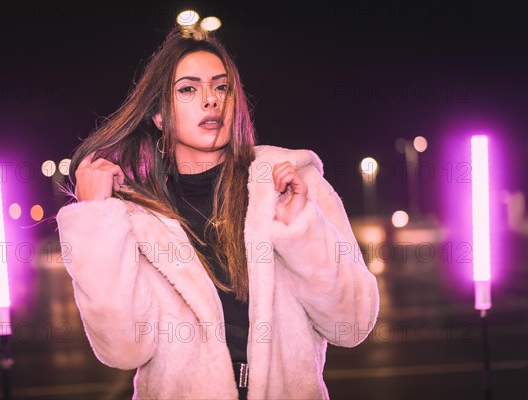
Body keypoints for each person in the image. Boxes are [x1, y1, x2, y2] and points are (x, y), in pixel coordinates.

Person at [57, 25, 379, 400]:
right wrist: (96, 218)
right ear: (158, 115)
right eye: (188, 89)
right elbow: (123, 349)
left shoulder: (290, 181)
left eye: (221, 87)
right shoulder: (137, 218)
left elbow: (351, 325)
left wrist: (300, 231)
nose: (211, 100)